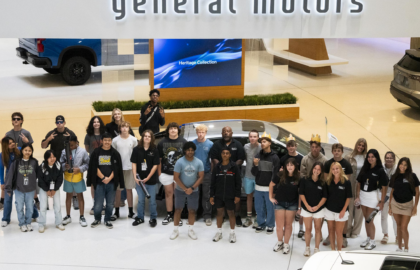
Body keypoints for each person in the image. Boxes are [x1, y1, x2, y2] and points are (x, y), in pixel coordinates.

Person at [210, 126, 245, 226]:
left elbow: (241, 158)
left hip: (234, 174)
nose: (226, 133)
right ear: (222, 133)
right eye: (224, 131)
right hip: (220, 174)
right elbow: (214, 158)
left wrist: (231, 167)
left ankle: (237, 215)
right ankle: (224, 215)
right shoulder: (217, 144)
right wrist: (222, 167)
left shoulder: (237, 144)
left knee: (236, 195)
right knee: (221, 195)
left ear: (231, 133)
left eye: (228, 131)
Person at [88, 133, 125, 229]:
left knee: (110, 203)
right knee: (98, 204)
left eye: (109, 140)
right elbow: (94, 167)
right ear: (102, 141)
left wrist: (109, 178)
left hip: (111, 183)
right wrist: (103, 178)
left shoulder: (115, 153)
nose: (107, 142)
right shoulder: (96, 152)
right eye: (105, 140)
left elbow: (117, 169)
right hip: (99, 182)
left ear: (111, 141)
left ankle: (107, 219)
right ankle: (97, 219)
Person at [355, 149, 389, 250]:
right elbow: (359, 182)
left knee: (370, 220)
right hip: (363, 196)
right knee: (366, 219)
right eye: (369, 157)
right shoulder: (365, 168)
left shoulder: (380, 170)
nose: (370, 159)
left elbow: (384, 186)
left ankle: (373, 241)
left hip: (373, 197)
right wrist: (358, 196)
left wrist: (382, 202)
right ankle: (368, 238)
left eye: (372, 157)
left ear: (376, 158)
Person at [41, 115, 78, 210]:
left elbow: (77, 145)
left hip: (67, 161)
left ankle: (74, 198)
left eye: (61, 122)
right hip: (54, 162)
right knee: (51, 180)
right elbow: (43, 146)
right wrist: (48, 139)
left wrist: (71, 138)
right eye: (58, 122)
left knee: (71, 179)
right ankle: (50, 200)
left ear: (64, 123)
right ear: (55, 123)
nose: (59, 124)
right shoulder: (51, 133)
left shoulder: (70, 133)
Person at [170, 142, 204, 240]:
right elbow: (176, 177)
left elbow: (201, 177)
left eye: (192, 150)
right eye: (188, 150)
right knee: (178, 210)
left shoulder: (199, 162)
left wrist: (192, 188)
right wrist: (185, 189)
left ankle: (191, 230)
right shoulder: (180, 162)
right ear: (185, 151)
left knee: (192, 210)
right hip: (180, 190)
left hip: (194, 190)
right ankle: (175, 230)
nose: (190, 152)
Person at [1, 137, 38, 227]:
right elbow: (1, 169)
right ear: (5, 145)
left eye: (13, 141)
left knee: (28, 199)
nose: (13, 144)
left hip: (20, 178)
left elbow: (28, 149)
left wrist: (28, 142)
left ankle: (35, 215)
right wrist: (2, 182)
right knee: (8, 199)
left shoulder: (19, 150)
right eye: (10, 143)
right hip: (9, 179)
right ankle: (6, 218)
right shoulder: (2, 155)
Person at [323, 143, 353, 247]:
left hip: (342, 198)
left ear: (342, 152)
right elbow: (327, 180)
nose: (336, 152)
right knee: (331, 224)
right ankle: (330, 237)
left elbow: (347, 179)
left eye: (338, 150)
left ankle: (343, 237)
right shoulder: (328, 164)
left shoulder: (347, 164)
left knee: (342, 220)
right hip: (331, 201)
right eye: (335, 150)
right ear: (332, 152)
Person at [158, 122, 187, 225]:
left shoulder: (184, 142)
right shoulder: (161, 143)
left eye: (175, 128)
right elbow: (159, 160)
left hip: (179, 174)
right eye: (171, 128)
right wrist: (159, 173)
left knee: (177, 195)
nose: (173, 130)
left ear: (177, 130)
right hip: (166, 173)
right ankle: (169, 214)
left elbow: (187, 159)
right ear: (168, 130)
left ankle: (177, 216)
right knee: (168, 193)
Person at [210, 147, 241, 243]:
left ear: (230, 155)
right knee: (219, 213)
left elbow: (238, 182)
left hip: (230, 195)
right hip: (218, 195)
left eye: (227, 153)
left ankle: (232, 233)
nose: (225, 155)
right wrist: (212, 195)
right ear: (221, 154)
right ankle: (219, 232)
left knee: (231, 213)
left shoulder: (234, 166)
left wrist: (237, 195)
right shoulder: (217, 167)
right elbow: (213, 182)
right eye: (223, 153)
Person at [270, 158, 300, 254]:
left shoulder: (298, 177)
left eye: (292, 165)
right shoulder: (280, 175)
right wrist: (271, 197)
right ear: (285, 166)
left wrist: (299, 207)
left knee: (288, 225)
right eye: (288, 165)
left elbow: (301, 194)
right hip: (280, 203)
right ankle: (279, 242)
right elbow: (271, 185)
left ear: (295, 166)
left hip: (292, 204)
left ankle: (286, 244)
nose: (290, 167)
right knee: (279, 226)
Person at [252, 132, 280, 235]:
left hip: (269, 188)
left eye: (264, 142)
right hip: (258, 187)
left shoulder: (275, 158)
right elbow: (253, 173)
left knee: (270, 208)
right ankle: (260, 224)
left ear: (270, 143)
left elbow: (276, 175)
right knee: (259, 207)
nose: (262, 144)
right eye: (261, 142)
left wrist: (274, 188)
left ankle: (270, 225)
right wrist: (255, 165)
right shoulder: (257, 156)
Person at [389, 157, 419, 252]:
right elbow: (392, 192)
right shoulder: (395, 176)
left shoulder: (412, 176)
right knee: (398, 225)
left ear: (408, 166)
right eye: (401, 164)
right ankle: (399, 247)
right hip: (395, 204)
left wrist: (415, 207)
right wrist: (390, 206)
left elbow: (417, 192)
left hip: (407, 205)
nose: (403, 166)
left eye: (405, 165)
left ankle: (406, 248)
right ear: (398, 165)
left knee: (403, 227)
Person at [300, 134, 327, 239]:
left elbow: (325, 176)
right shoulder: (305, 159)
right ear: (310, 147)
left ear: (320, 147)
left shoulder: (324, 160)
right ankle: (306, 231)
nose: (314, 149)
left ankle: (318, 233)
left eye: (317, 147)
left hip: (320, 190)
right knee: (306, 211)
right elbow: (302, 174)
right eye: (313, 147)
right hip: (308, 189)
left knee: (319, 215)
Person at [131, 130, 160, 227]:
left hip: (151, 181)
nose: (147, 137)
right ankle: (140, 218)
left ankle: (153, 218)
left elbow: (156, 165)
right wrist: (135, 176)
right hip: (139, 181)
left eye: (149, 136)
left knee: (152, 201)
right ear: (142, 137)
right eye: (145, 136)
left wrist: (148, 177)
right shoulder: (136, 149)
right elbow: (134, 163)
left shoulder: (154, 150)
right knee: (141, 200)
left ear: (151, 138)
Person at [60, 136, 90, 227]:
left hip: (78, 177)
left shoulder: (83, 151)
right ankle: (68, 216)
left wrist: (80, 169)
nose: (71, 147)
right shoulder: (64, 151)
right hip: (68, 177)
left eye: (72, 145)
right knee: (68, 196)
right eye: (69, 145)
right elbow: (60, 163)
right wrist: (64, 166)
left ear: (77, 142)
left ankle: (81, 216)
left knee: (80, 196)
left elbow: (87, 164)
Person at [111, 121, 138, 220]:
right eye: (123, 127)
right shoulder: (115, 140)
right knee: (118, 190)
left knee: (129, 189)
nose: (125, 128)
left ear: (129, 128)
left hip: (130, 168)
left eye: (127, 126)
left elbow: (136, 155)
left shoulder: (134, 140)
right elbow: (112, 155)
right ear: (120, 128)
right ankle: (116, 212)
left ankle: (131, 211)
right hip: (118, 169)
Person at [299, 162, 327, 256]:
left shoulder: (323, 182)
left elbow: (324, 197)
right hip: (307, 209)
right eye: (315, 168)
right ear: (312, 169)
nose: (316, 171)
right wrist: (307, 206)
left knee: (318, 229)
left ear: (321, 171)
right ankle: (307, 248)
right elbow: (301, 194)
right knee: (308, 229)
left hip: (319, 210)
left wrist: (318, 206)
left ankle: (316, 248)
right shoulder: (305, 180)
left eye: (319, 169)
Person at [344, 138, 367, 239]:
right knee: (349, 209)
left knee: (359, 210)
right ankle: (347, 230)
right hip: (350, 184)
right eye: (359, 145)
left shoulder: (367, 158)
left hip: (361, 186)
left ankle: (355, 232)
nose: (360, 147)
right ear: (356, 145)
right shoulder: (349, 157)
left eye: (363, 146)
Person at [37, 150, 65, 232]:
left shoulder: (58, 165)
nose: (52, 159)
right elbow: (40, 180)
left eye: (54, 157)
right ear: (46, 159)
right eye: (50, 157)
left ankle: (59, 223)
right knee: (43, 206)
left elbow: (60, 178)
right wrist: (47, 190)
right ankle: (41, 224)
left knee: (57, 206)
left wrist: (55, 189)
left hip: (55, 189)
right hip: (44, 188)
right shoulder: (42, 166)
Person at [192, 124, 214, 226]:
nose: (200, 134)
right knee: (195, 195)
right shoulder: (192, 144)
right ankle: (194, 215)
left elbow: (213, 160)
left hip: (206, 173)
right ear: (196, 133)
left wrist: (212, 173)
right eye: (199, 132)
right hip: (194, 174)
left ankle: (207, 216)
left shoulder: (210, 144)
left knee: (206, 195)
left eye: (202, 132)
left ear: (205, 133)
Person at [85, 116, 107, 215]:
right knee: (94, 184)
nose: (96, 123)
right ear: (92, 124)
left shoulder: (104, 134)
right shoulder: (88, 136)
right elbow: (87, 149)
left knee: (103, 182)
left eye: (98, 122)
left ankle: (102, 204)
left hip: (104, 161)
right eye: (94, 122)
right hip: (93, 162)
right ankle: (95, 204)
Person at [242, 130, 261, 228]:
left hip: (259, 177)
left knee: (258, 198)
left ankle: (257, 218)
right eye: (251, 136)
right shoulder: (245, 147)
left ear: (258, 137)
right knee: (249, 197)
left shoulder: (262, 147)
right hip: (248, 176)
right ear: (249, 137)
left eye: (255, 136)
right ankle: (249, 218)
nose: (253, 138)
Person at [381, 151, 398, 245]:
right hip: (383, 195)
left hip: (393, 196)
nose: (389, 159)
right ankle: (385, 235)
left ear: (394, 159)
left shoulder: (397, 169)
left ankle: (397, 236)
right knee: (383, 216)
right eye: (387, 157)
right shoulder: (381, 168)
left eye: (391, 158)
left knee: (395, 217)